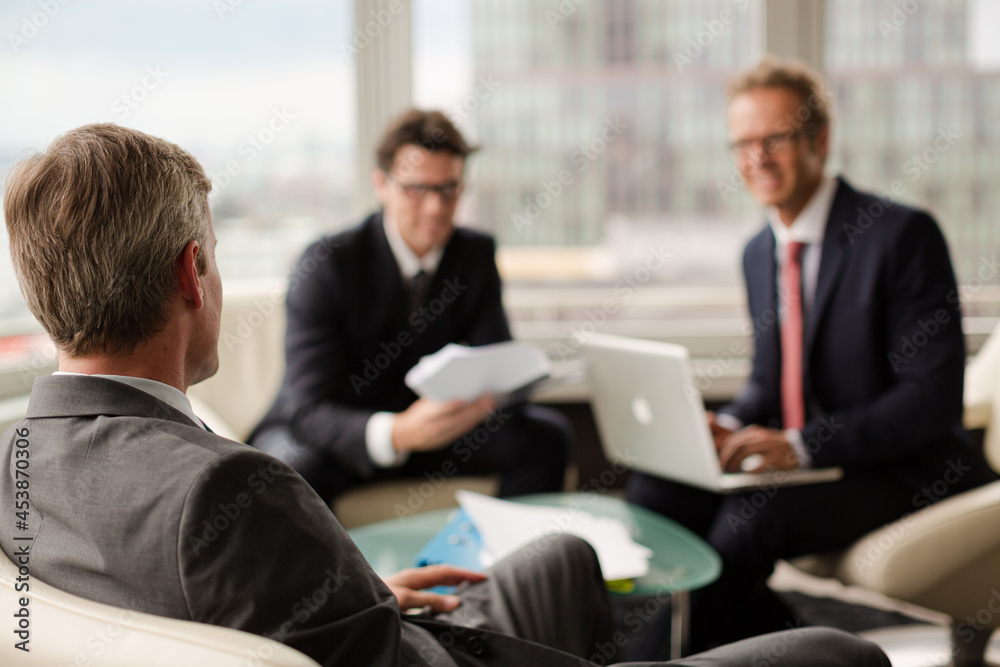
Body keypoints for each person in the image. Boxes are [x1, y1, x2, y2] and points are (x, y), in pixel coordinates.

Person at [0, 124, 890, 666]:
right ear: (193, 273)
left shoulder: (18, 461)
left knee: (562, 556)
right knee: (843, 652)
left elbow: (211, 619)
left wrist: (357, 592)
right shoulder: (233, 491)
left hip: (360, 623)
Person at [626, 56, 997, 651]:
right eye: (743, 143)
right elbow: (771, 385)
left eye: (774, 138)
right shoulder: (758, 252)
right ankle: (793, 648)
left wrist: (801, 446)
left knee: (750, 521)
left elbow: (930, 399)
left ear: (819, 139)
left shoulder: (900, 235)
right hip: (818, 466)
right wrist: (729, 426)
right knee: (654, 492)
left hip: (906, 468)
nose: (757, 158)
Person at [249, 109, 571, 505]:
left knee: (547, 437)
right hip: (344, 436)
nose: (435, 208)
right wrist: (397, 432)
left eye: (448, 189)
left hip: (440, 431)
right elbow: (305, 409)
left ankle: (512, 560)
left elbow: (499, 361)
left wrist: (489, 401)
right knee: (289, 468)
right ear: (381, 184)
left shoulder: (474, 254)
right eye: (417, 189)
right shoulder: (328, 263)